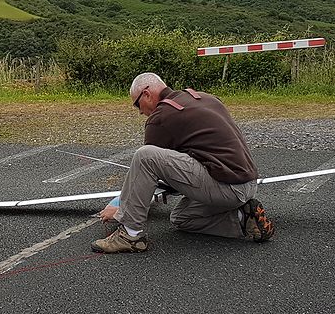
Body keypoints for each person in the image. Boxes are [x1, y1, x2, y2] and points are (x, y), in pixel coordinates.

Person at [92, 72, 274, 253]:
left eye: (137, 104)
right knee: (181, 218)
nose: (140, 111)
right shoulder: (203, 98)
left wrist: (119, 206)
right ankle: (242, 219)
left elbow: (151, 179)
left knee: (145, 156)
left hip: (227, 187)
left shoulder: (160, 118)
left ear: (146, 94)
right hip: (248, 184)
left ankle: (129, 235)